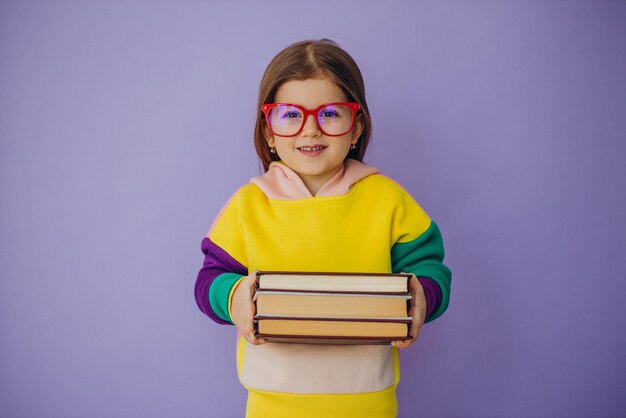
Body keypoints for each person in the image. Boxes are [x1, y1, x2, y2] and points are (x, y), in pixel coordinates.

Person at [195, 39, 452, 418]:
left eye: (331, 113)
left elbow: (431, 267)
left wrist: (423, 295)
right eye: (289, 114)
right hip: (272, 403)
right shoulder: (248, 205)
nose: (310, 130)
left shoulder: (387, 199)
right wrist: (233, 297)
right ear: (268, 131)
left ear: (356, 127)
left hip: (368, 400)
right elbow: (209, 280)